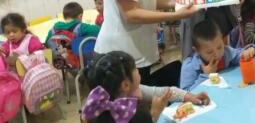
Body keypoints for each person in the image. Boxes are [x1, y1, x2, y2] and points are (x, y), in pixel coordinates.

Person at [82, 51, 210, 123]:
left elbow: (164, 91)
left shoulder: (118, 93)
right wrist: (154, 114)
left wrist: (190, 96)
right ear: (126, 84)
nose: (138, 71)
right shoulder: (126, 114)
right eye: (135, 69)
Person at [180, 19, 255, 91]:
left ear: (222, 38)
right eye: (209, 52)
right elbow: (186, 93)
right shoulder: (190, 66)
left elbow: (240, 56)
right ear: (197, 51)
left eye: (219, 47)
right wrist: (206, 75)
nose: (217, 54)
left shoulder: (226, 53)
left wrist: (251, 50)